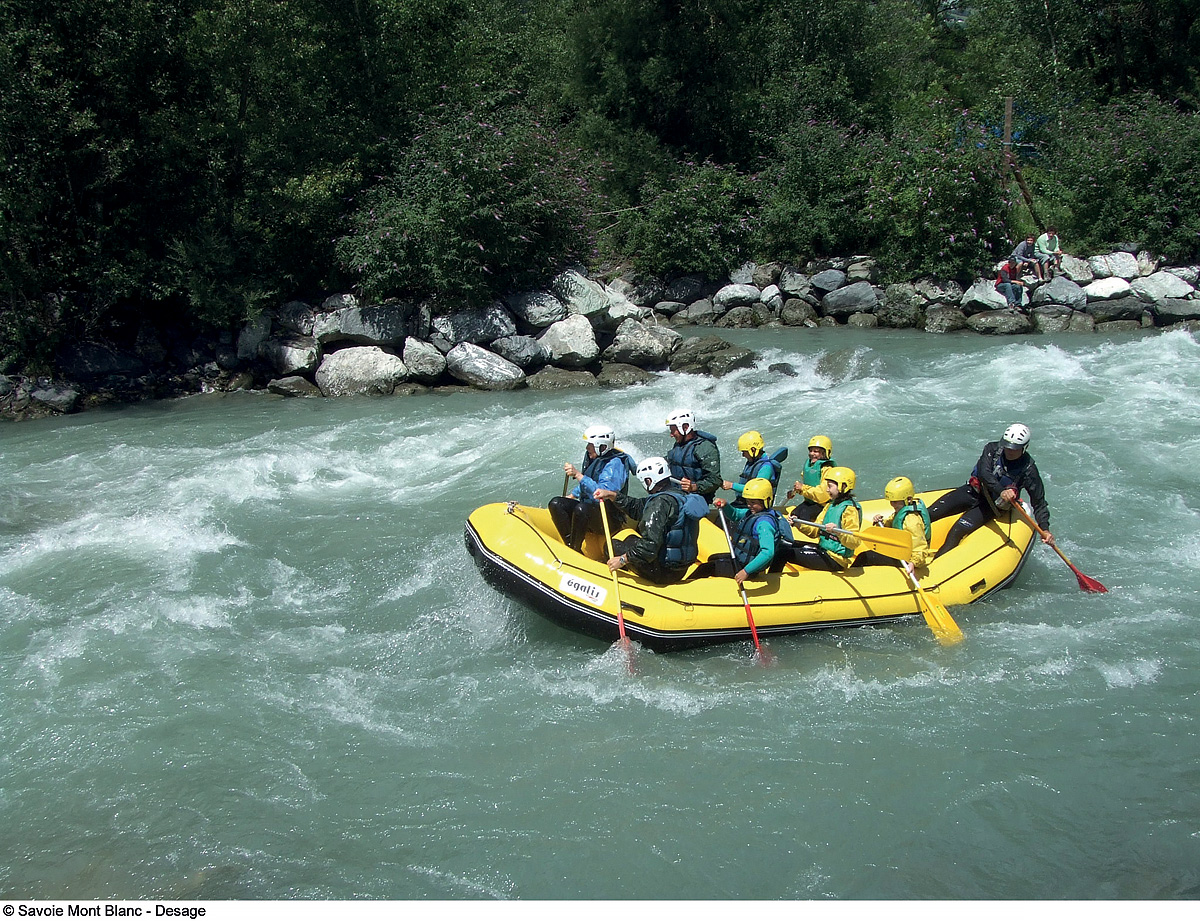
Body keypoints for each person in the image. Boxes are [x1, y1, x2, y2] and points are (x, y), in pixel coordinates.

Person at [928, 423, 1053, 559]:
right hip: (974, 492)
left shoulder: (1029, 470)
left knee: (958, 530)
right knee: (930, 513)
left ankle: (936, 564)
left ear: (1024, 447)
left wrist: (1044, 528)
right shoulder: (992, 449)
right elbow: (984, 473)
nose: (1009, 451)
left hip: (991, 506)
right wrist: (1001, 491)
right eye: (1007, 446)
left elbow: (1039, 502)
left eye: (1014, 449)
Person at [594, 457, 704, 585]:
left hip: (662, 572)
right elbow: (638, 507)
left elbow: (649, 546)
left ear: (649, 480)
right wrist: (612, 495)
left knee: (612, 546)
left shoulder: (659, 503)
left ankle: (624, 583)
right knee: (630, 539)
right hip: (680, 569)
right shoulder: (678, 495)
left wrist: (622, 560)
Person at [548, 424, 637, 551]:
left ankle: (575, 549)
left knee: (581, 509)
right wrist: (573, 495)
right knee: (556, 503)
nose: (587, 447)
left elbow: (602, 493)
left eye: (590, 444)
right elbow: (590, 478)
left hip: (609, 518)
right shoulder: (594, 457)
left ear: (602, 446)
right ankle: (570, 544)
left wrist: (578, 475)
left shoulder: (615, 464)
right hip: (591, 511)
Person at [712, 478, 793, 584]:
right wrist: (726, 505)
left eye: (753, 502)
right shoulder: (752, 513)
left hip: (748, 568)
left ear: (766, 501)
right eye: (748, 501)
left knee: (706, 568)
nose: (749, 505)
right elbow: (735, 514)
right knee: (713, 558)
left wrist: (746, 571)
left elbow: (768, 552)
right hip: (742, 560)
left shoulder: (764, 524)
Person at [787, 466, 862, 572]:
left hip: (835, 560)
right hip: (823, 551)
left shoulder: (850, 509)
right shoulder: (830, 505)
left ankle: (771, 579)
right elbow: (815, 531)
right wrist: (798, 524)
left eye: (830, 486)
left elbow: (854, 542)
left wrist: (838, 532)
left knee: (783, 553)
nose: (827, 489)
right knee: (783, 544)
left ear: (843, 486)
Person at [857, 476, 934, 572]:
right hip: (899, 551)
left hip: (908, 558)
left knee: (865, 557)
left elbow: (920, 547)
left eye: (895, 502)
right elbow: (891, 525)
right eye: (891, 501)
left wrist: (913, 563)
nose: (892, 504)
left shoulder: (912, 521)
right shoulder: (901, 512)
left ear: (908, 499)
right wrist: (881, 522)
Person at [664, 409, 722, 503]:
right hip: (678, 495)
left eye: (673, 431)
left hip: (696, 499)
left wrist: (694, 487)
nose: (671, 435)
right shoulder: (680, 443)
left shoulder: (704, 447)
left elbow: (715, 481)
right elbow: (674, 460)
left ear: (685, 427)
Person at [722, 431, 784, 507]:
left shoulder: (766, 468)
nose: (743, 455)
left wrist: (732, 485)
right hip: (743, 502)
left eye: (744, 452)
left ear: (753, 450)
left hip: (754, 507)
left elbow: (756, 491)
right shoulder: (752, 462)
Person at [788, 435, 837, 521]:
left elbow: (823, 495)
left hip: (823, 504)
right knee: (794, 514)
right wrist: (795, 491)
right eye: (810, 451)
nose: (812, 454)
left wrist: (802, 488)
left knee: (804, 514)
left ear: (825, 452)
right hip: (811, 502)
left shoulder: (827, 469)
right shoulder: (810, 467)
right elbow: (807, 484)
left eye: (816, 451)